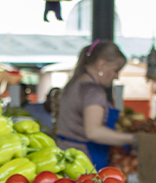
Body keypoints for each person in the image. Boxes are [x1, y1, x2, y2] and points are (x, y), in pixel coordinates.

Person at [53, 40, 135, 168]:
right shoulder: (93, 92)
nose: (116, 76)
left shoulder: (73, 85)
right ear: (101, 65)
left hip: (66, 155)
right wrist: (133, 139)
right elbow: (94, 132)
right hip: (85, 160)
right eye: (115, 70)